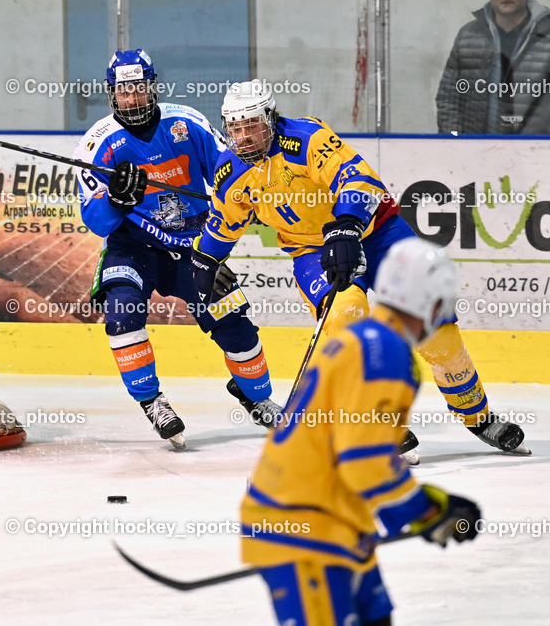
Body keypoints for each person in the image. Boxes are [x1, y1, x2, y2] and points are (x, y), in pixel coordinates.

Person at [193, 79, 529, 459]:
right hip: (312, 251)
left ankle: (478, 416)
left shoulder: (307, 138)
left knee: (437, 333)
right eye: (235, 128)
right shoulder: (231, 173)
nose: (244, 136)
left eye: (252, 125)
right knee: (345, 317)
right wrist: (203, 266)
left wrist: (346, 225)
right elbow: (222, 225)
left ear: (270, 118)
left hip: (376, 232)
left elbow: (359, 178)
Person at [240, 239, 482, 626]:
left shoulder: (362, 339)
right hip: (304, 526)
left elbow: (362, 451)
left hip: (334, 520)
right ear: (431, 305)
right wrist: (422, 512)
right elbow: (363, 461)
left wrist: (433, 504)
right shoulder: (385, 352)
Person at [74, 49, 283, 449]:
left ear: (153, 87)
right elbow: (95, 221)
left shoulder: (186, 123)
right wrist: (115, 200)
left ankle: (257, 398)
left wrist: (239, 207)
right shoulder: (97, 145)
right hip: (134, 247)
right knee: (122, 310)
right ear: (111, 95)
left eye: (139, 88)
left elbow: (230, 173)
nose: (132, 99)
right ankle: (153, 402)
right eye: (123, 92)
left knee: (235, 326)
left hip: (195, 248)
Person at [436, 0, 550, 134]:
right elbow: (447, 99)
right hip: (478, 153)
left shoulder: (547, 34)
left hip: (535, 154)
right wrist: (456, 145)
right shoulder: (469, 36)